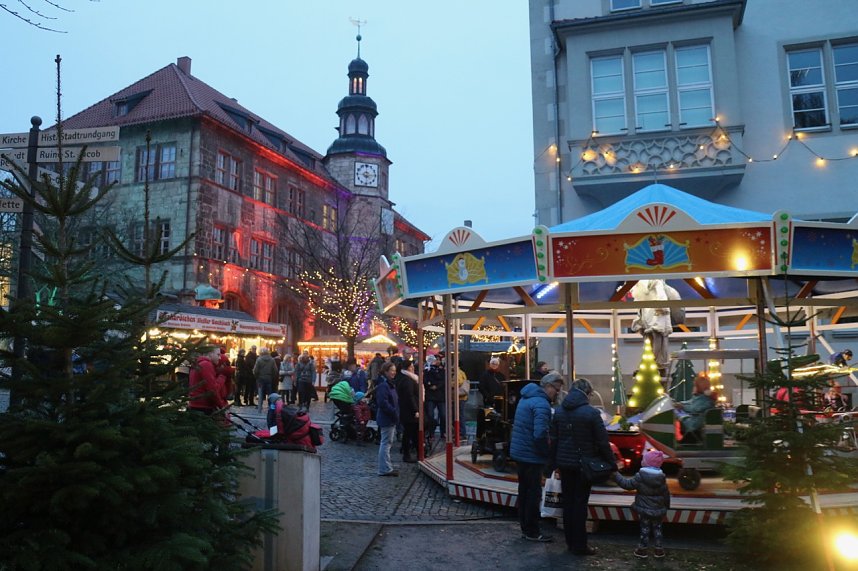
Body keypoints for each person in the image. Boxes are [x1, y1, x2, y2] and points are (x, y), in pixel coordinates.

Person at [549, 377, 616, 556]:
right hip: (583, 465)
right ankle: (579, 545)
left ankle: (570, 542)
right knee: (579, 504)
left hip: (564, 464)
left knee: (568, 503)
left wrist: (552, 464)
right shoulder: (591, 413)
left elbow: (554, 440)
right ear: (587, 393)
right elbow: (602, 441)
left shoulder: (559, 411)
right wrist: (611, 463)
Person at [510, 374, 563, 542]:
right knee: (533, 494)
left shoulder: (525, 398)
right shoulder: (541, 404)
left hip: (520, 452)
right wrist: (547, 453)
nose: (557, 393)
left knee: (524, 491)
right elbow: (540, 434)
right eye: (556, 389)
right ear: (548, 386)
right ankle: (532, 531)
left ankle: (525, 527)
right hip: (532, 455)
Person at [613, 449, 670, 559]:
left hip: (644, 509)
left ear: (646, 463)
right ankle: (659, 550)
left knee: (645, 529)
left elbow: (627, 485)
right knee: (658, 529)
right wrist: (667, 506)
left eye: (644, 460)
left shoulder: (640, 477)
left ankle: (642, 550)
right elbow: (666, 494)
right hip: (658, 509)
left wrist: (616, 475)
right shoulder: (662, 478)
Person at [375, 362, 400, 477]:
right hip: (387, 417)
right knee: (386, 443)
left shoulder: (389, 384)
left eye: (394, 370)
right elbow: (383, 403)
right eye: (392, 370)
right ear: (386, 371)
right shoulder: (384, 385)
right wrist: (393, 411)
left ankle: (386, 467)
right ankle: (384, 468)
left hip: (390, 417)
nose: (394, 373)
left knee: (387, 443)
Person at [674, 374, 716, 441]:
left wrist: (682, 406)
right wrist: (680, 403)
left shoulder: (706, 400)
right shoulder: (700, 397)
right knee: (676, 411)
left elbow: (694, 408)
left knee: (676, 412)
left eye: (695, 386)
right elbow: (690, 402)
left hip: (694, 423)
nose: (693, 387)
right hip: (693, 419)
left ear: (699, 387)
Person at [188, 347, 227, 416]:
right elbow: (212, 390)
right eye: (218, 355)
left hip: (195, 404)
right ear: (210, 354)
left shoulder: (198, 363)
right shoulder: (206, 364)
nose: (219, 358)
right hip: (203, 407)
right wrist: (221, 406)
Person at [395, 359, 420, 463]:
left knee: (411, 433)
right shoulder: (407, 380)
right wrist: (416, 410)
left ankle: (417, 452)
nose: (413, 368)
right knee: (409, 433)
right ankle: (407, 454)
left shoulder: (403, 378)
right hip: (409, 410)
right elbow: (410, 396)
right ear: (408, 368)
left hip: (406, 409)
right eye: (412, 367)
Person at [423, 354, 446, 440]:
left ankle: (443, 432)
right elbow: (425, 380)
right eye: (435, 359)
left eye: (438, 360)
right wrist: (430, 385)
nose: (437, 361)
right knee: (430, 415)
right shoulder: (427, 370)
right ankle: (431, 432)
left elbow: (443, 381)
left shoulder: (442, 370)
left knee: (443, 415)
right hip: (430, 395)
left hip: (440, 395)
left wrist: (437, 386)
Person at [253, 348, 279, 413]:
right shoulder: (272, 360)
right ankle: (271, 408)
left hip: (260, 378)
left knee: (260, 393)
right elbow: (275, 370)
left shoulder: (259, 360)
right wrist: (272, 376)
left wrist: (256, 376)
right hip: (269, 378)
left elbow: (255, 370)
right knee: (270, 394)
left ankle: (260, 408)